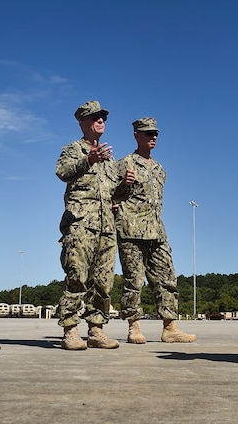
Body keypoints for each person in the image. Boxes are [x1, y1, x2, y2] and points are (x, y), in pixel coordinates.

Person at [55, 101, 134, 350]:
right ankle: (70, 329)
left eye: (103, 117)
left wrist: (126, 185)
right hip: (80, 224)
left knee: (103, 281)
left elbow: (114, 195)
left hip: (106, 227)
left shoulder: (109, 159)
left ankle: (96, 330)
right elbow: (62, 172)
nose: (100, 121)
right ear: (82, 123)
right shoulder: (73, 149)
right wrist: (88, 160)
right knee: (77, 275)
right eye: (94, 117)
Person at [115, 117, 196, 344]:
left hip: (157, 231)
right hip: (131, 230)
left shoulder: (160, 169)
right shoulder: (124, 164)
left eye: (155, 133)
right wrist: (123, 185)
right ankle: (134, 326)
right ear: (136, 135)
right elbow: (111, 196)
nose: (153, 137)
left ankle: (170, 327)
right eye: (148, 133)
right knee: (133, 280)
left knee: (167, 277)